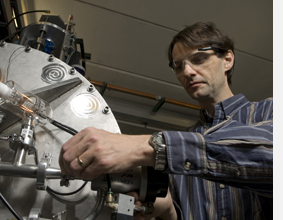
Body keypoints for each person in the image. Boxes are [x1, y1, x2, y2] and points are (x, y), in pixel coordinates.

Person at [59, 22, 273, 220]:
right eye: (179, 66)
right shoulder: (184, 143)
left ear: (227, 59)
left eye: (198, 59)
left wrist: (142, 147)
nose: (187, 72)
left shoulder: (269, 111)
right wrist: (167, 209)